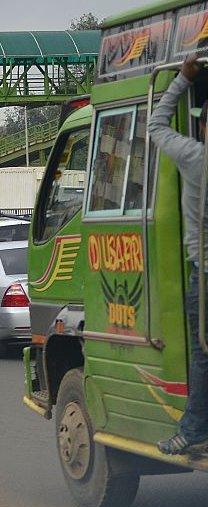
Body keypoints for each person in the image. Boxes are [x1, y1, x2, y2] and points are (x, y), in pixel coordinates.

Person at [150, 54, 208, 455]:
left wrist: (182, 79)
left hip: (202, 276)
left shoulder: (195, 157)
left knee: (202, 353)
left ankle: (192, 429)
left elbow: (154, 125)